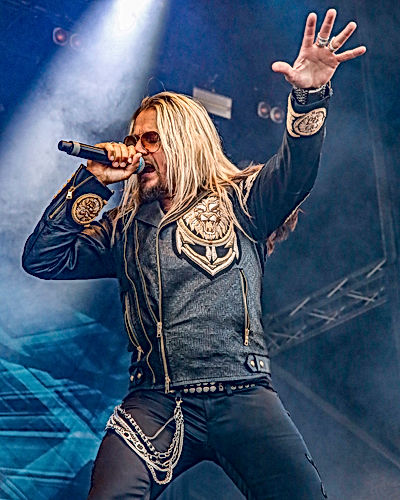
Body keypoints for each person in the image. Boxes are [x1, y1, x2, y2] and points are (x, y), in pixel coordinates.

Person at [22, 9, 366, 500]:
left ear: (183, 141)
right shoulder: (123, 227)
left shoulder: (241, 200)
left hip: (242, 391)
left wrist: (309, 95)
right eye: (133, 140)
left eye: (151, 140)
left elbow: (297, 172)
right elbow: (43, 258)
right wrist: (93, 181)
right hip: (154, 401)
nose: (137, 150)